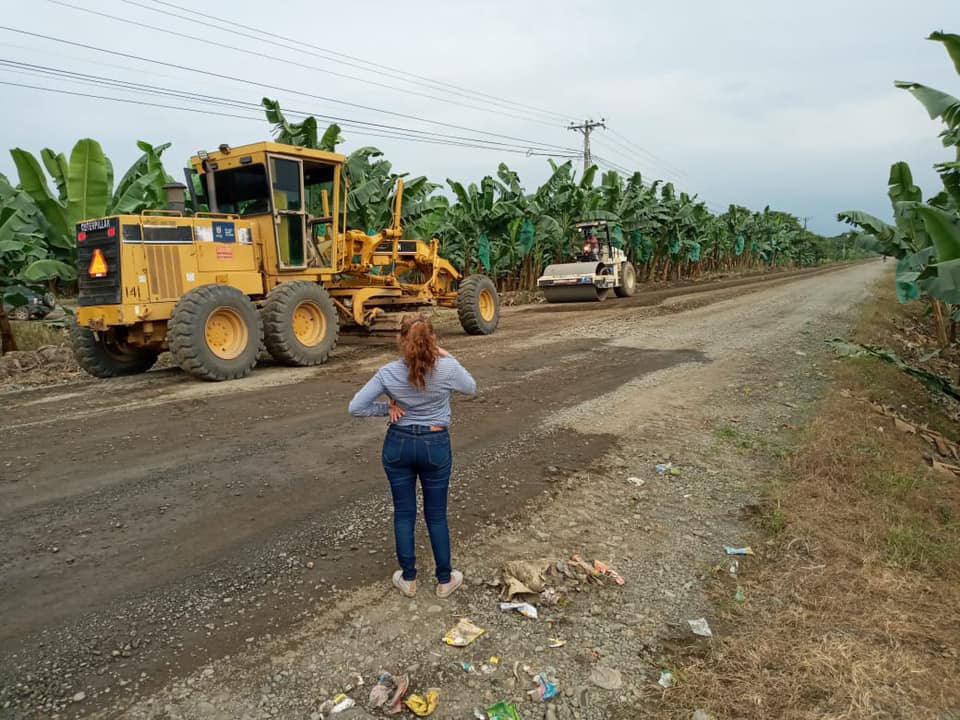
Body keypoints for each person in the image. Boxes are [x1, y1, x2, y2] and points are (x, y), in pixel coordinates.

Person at [348, 313, 477, 599]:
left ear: (401, 339)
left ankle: (408, 579)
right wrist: (447, 355)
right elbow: (471, 388)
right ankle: (444, 579)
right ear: (433, 339)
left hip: (399, 444)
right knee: (437, 514)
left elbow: (355, 407)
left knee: (404, 513)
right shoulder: (447, 367)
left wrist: (386, 409)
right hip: (435, 443)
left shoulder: (387, 373)